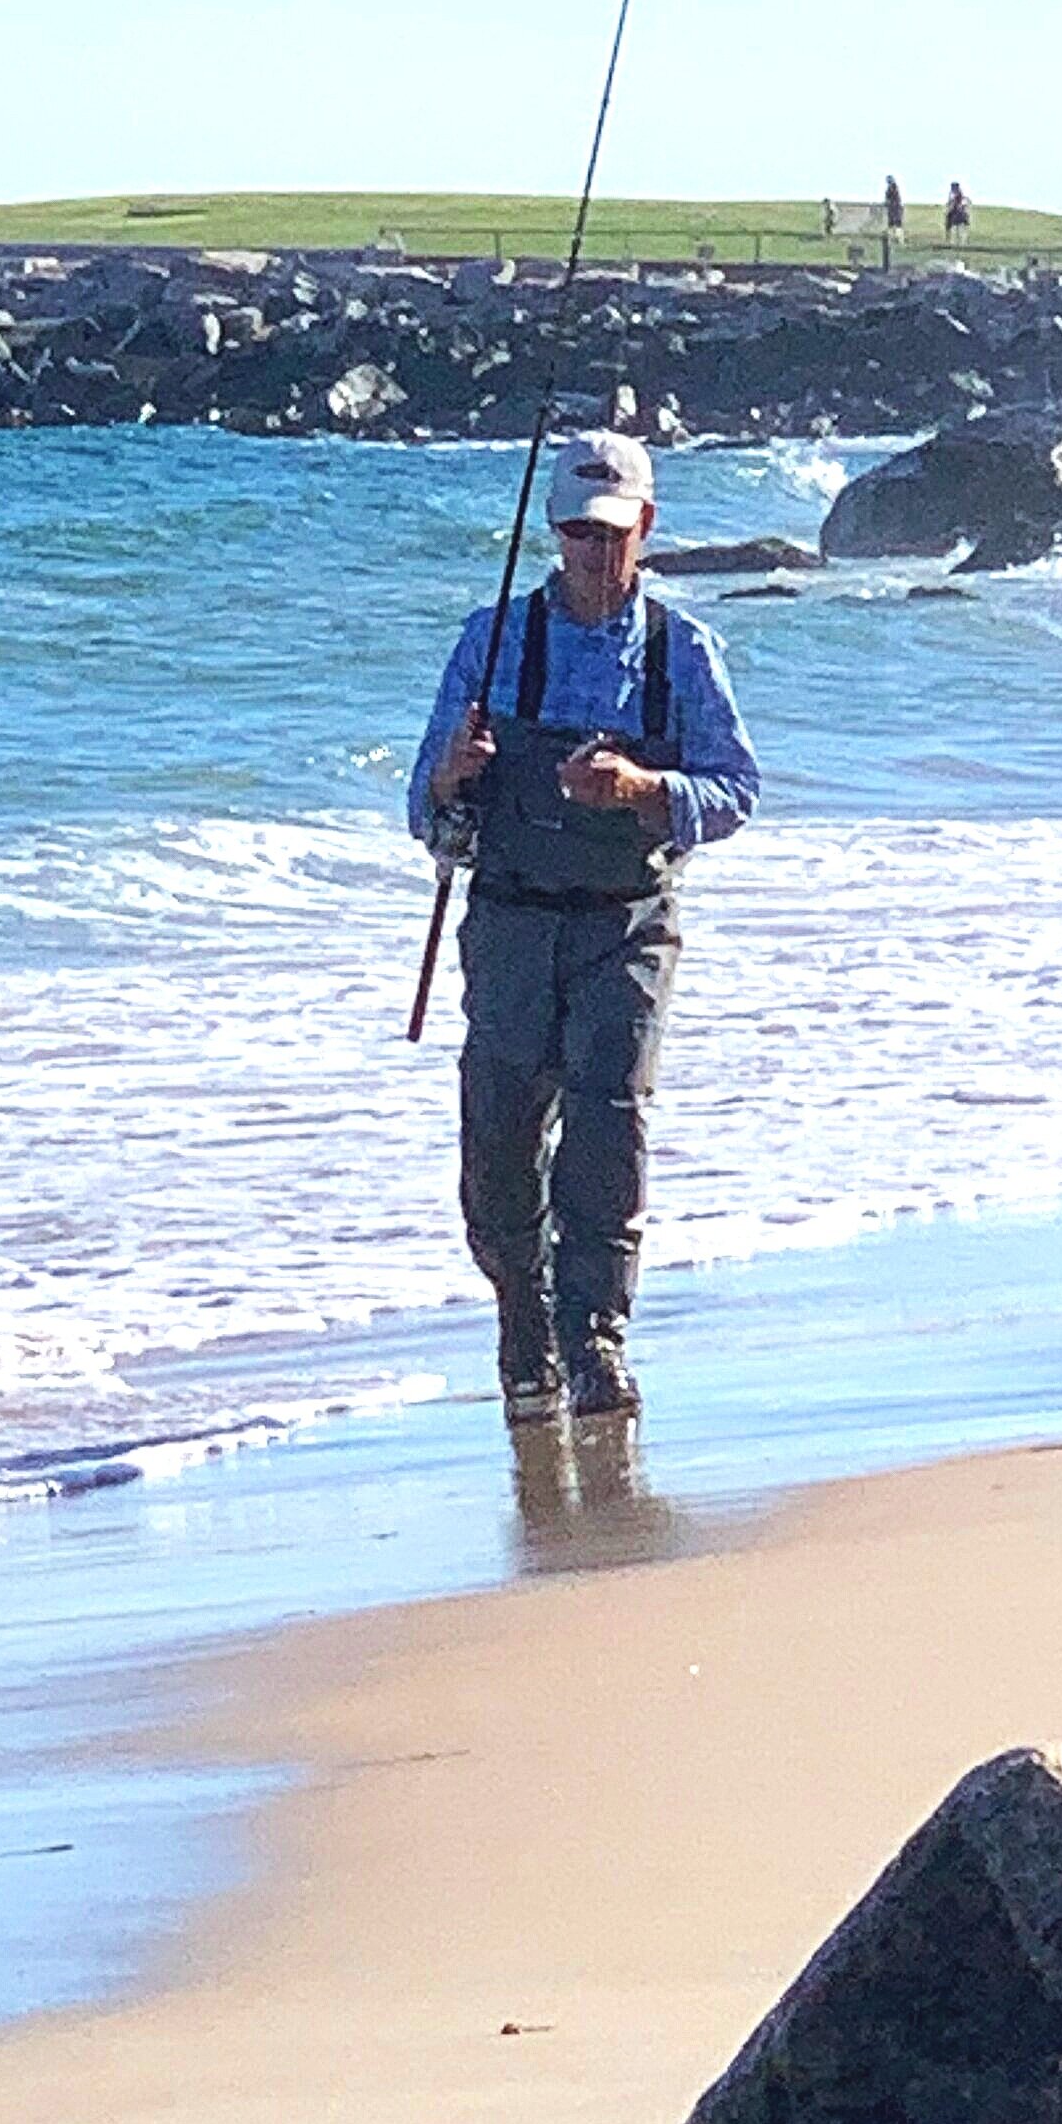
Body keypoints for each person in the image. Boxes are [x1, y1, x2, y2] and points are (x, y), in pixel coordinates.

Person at [409, 430, 759, 1425]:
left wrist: (645, 788)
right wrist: (450, 782)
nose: (593, 553)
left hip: (627, 925)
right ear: (553, 531)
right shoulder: (490, 641)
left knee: (609, 1128)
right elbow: (425, 814)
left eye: (611, 534)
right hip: (510, 924)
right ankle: (523, 1319)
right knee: (500, 1150)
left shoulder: (680, 652)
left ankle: (597, 1335)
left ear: (644, 527)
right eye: (575, 533)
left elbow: (737, 791)